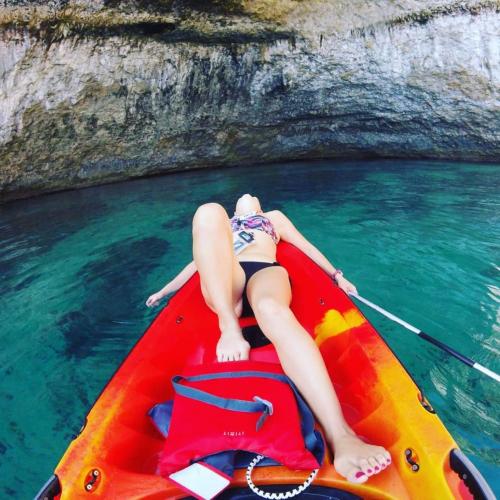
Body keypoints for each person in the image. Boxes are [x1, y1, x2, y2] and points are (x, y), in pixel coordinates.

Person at [146, 194, 391, 484]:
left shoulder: (273, 218)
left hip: (265, 271)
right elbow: (199, 262)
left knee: (272, 310)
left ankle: (342, 436)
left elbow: (305, 246)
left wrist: (336, 275)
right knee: (208, 212)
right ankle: (229, 325)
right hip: (229, 280)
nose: (247, 195)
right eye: (242, 196)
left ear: (259, 206)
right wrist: (165, 291)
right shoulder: (226, 223)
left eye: (253, 196)